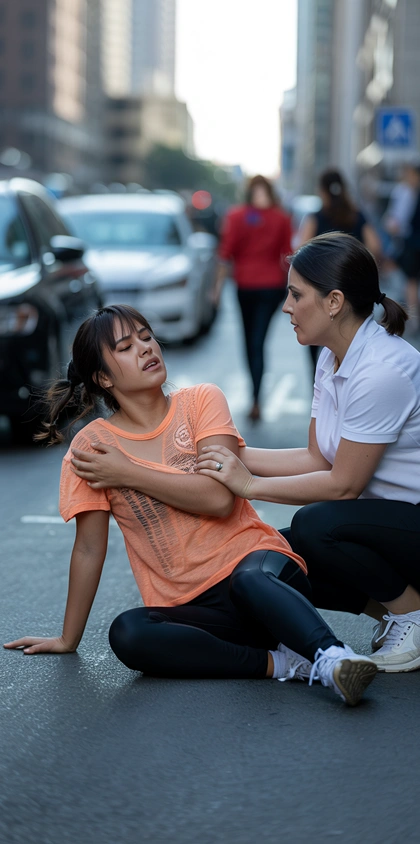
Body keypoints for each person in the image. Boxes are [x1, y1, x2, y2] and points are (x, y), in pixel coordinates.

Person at [4, 304, 377, 705]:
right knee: (127, 633)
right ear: (103, 378)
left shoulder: (200, 402)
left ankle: (332, 658)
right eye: (127, 347)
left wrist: (128, 472)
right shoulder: (92, 447)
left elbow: (218, 498)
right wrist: (67, 638)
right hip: (196, 611)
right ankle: (281, 664)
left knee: (250, 577)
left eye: (146, 337)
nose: (147, 349)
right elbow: (90, 547)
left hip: (258, 568)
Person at [197, 233, 420, 674]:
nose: (286, 306)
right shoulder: (331, 357)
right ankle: (394, 612)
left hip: (409, 520)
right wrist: (229, 452)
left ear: (334, 301)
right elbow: (318, 459)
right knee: (291, 549)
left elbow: (343, 484)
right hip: (386, 521)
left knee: (316, 524)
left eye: (296, 295)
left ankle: (412, 614)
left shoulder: (382, 370)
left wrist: (248, 484)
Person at [214, 175, 292, 422]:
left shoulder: (236, 216)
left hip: (246, 286)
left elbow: (226, 253)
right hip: (272, 286)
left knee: (250, 341)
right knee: (258, 340)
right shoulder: (281, 217)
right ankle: (256, 398)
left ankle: (256, 398)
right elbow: (288, 255)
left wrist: (216, 289)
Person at [296, 168, 382, 377]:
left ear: (323, 191)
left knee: (315, 342)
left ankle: (319, 389)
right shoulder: (357, 216)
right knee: (352, 338)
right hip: (351, 290)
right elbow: (376, 246)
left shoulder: (317, 217)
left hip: (321, 290)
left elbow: (301, 250)